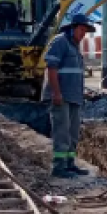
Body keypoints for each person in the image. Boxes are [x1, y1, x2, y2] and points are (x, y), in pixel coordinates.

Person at [42, 13, 93, 179]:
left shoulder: (75, 47)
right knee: (61, 132)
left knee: (72, 133)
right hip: (61, 96)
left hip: (74, 97)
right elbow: (52, 68)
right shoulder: (60, 42)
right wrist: (56, 93)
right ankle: (59, 167)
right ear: (73, 28)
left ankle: (70, 164)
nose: (83, 34)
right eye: (82, 30)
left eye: (86, 31)